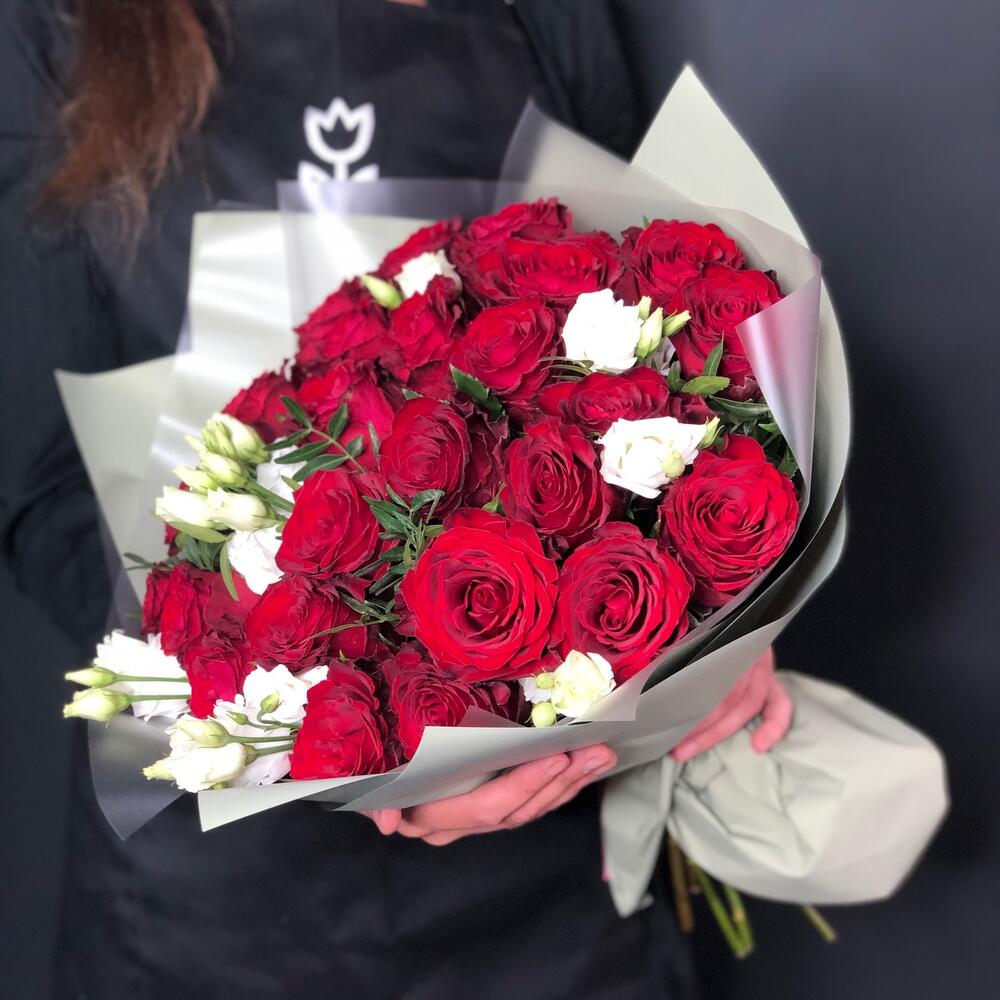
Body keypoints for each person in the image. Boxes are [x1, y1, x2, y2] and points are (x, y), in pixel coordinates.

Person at [0, 2, 790, 996]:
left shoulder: (547, 12)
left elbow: (642, 333)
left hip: (548, 875)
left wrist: (716, 624)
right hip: (213, 906)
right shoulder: (54, 26)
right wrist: (335, 736)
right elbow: (46, 491)